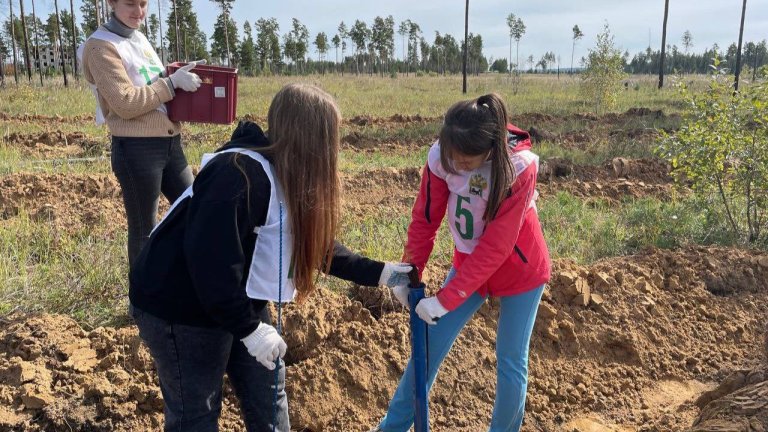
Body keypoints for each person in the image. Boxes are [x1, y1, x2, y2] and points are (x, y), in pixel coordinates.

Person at [129, 83, 413, 432]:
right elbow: (209, 262)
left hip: (233, 296)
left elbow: (316, 244)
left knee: (268, 391)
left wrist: (384, 274)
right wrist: (249, 329)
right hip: (179, 305)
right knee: (197, 411)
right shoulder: (237, 175)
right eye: (331, 138)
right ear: (312, 138)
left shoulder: (285, 173)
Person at [371, 93, 551, 432]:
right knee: (427, 348)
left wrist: (445, 299)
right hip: (470, 264)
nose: (458, 164)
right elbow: (426, 218)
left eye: (467, 160)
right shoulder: (443, 156)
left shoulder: (519, 168)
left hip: (519, 267)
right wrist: (409, 273)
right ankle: (390, 429)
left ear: (490, 151)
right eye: (452, 155)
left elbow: (497, 246)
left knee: (511, 360)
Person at [79, 0, 205, 266]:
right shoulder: (101, 46)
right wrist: (170, 83)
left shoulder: (138, 39)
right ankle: (141, 303)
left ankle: (179, 281)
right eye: (130, 4)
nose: (139, 12)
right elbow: (124, 102)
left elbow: (151, 83)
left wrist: (175, 74)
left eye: (144, 3)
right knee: (144, 229)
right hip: (137, 148)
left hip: (170, 145)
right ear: (112, 3)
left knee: (195, 207)